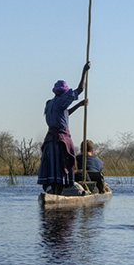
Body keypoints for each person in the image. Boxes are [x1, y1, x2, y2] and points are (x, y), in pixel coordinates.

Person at [37, 62, 90, 195]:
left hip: (50, 140)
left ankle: (54, 193)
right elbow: (80, 89)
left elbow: (64, 113)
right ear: (64, 93)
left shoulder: (50, 103)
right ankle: (57, 195)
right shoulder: (61, 101)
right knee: (62, 166)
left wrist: (79, 105)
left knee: (54, 172)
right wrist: (85, 71)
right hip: (61, 140)